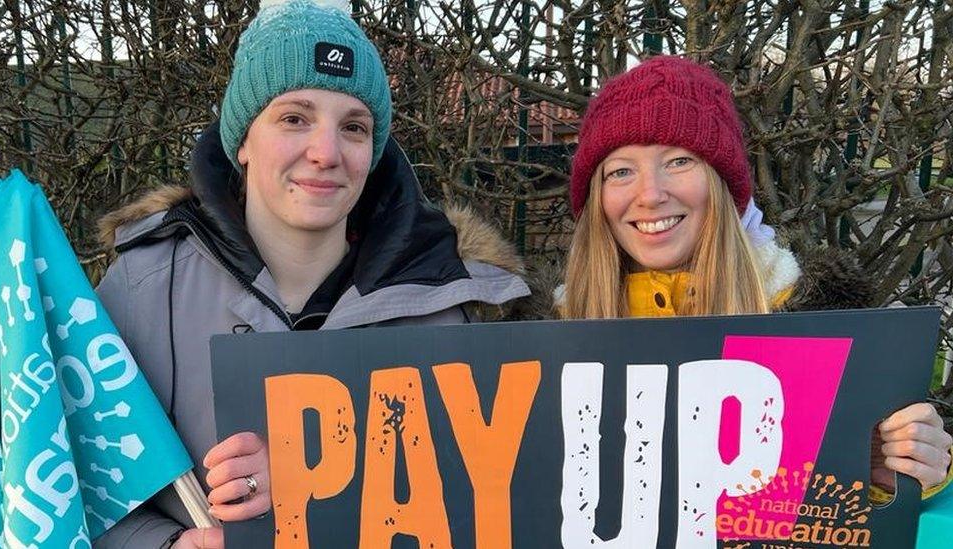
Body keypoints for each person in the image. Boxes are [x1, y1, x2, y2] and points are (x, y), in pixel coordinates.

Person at [93, 0, 529, 546]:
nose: (326, 152)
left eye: (353, 127)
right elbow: (76, 479)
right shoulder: (141, 288)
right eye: (294, 118)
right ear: (244, 141)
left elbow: (500, 499)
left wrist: (326, 477)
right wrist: (163, 544)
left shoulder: (452, 301)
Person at [560, 56, 952, 506]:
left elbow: (857, 507)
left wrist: (894, 470)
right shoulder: (541, 335)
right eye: (620, 171)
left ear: (724, 183)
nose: (650, 194)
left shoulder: (820, 320)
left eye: (680, 161)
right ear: (597, 198)